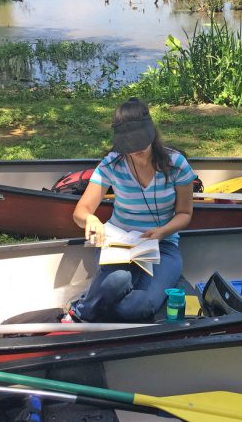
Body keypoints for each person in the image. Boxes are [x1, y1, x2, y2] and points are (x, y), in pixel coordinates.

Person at [69, 98, 195, 321]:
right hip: (119, 244)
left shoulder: (177, 165)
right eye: (129, 144)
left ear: (151, 133)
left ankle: (100, 307)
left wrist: (162, 231)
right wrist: (91, 220)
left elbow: (185, 213)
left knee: (138, 306)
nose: (135, 149)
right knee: (117, 280)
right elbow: (81, 211)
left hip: (162, 246)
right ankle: (81, 312)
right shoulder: (112, 163)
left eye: (140, 142)